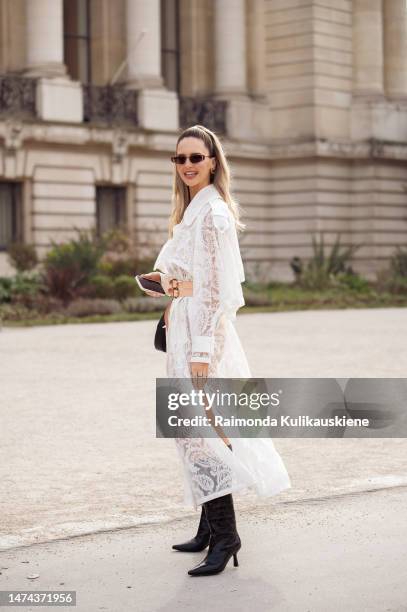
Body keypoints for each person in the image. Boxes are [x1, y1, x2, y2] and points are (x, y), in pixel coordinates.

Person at [141, 124, 291, 576]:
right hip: (183, 328)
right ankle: (210, 526)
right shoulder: (191, 213)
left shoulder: (214, 215)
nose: (187, 165)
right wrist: (162, 283)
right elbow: (183, 276)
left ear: (212, 161)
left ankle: (226, 537)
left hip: (202, 338)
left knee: (204, 432)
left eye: (195, 158)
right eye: (180, 158)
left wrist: (203, 350)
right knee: (190, 429)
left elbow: (216, 293)